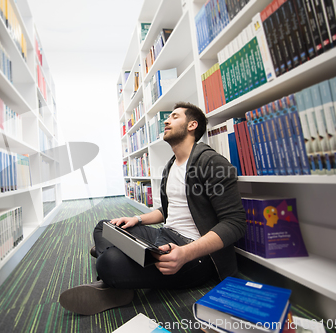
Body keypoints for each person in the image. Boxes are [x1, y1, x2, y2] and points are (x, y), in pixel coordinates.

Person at [59, 102, 246, 315]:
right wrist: (136, 219)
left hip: (194, 255)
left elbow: (235, 223)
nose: (166, 120)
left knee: (108, 262)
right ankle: (119, 278)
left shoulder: (211, 162)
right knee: (105, 227)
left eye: (175, 117)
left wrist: (185, 253)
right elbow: (168, 211)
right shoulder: (171, 165)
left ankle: (113, 277)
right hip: (164, 237)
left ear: (192, 125)